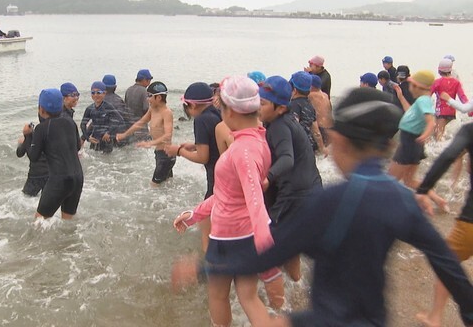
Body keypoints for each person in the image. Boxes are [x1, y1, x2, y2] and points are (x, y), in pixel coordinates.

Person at [175, 87, 473, 327]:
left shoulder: (328, 202)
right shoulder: (400, 200)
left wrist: (202, 270)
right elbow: (446, 262)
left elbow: (270, 254)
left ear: (339, 139)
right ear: (386, 145)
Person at [173, 75, 277, 327]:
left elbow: (256, 203)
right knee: (249, 297)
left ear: (229, 110)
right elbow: (232, 193)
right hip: (245, 233)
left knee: (218, 297)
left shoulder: (241, 151)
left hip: (229, 236)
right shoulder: (259, 140)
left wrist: (271, 269)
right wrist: (195, 214)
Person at [258, 75, 323, 309]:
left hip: (294, 195)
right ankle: (297, 286)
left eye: (263, 103)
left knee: (269, 242)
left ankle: (280, 306)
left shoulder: (278, 126)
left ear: (280, 107)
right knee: (290, 242)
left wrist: (267, 179)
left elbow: (287, 158)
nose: (258, 106)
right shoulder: (286, 120)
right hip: (311, 189)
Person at [415, 121, 473, 327]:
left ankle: (435, 317)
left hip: (470, 224)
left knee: (446, 263)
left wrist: (423, 189)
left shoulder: (470, 130)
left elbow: (449, 156)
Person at [164, 82, 222, 252]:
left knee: (207, 224)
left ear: (194, 105)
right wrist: (194, 145)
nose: (187, 110)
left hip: (215, 178)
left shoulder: (201, 120)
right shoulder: (216, 114)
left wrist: (179, 151)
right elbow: (213, 143)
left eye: (187, 106)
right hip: (225, 175)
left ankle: (209, 266)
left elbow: (204, 157)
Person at [389, 70, 446, 211]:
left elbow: (431, 121)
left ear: (420, 87)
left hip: (410, 142)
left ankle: (392, 207)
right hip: (411, 143)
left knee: (390, 180)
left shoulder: (423, 100)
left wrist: (425, 135)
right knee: (409, 180)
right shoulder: (421, 101)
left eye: (412, 85)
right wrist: (401, 96)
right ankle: (439, 201)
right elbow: (410, 113)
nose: (409, 88)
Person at [26, 89, 83, 220]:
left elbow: (33, 157)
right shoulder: (70, 122)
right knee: (67, 223)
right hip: (78, 178)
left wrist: (28, 136)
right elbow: (77, 146)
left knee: (39, 223)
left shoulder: (41, 129)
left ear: (41, 109)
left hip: (59, 180)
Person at [117, 81, 175, 185]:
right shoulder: (152, 109)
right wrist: (124, 135)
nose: (147, 99)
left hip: (166, 156)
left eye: (149, 96)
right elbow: (140, 123)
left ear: (158, 98)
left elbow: (168, 135)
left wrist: (150, 143)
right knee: (166, 185)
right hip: (159, 154)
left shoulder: (167, 113)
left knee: (154, 186)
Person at [289, 71, 327, 157]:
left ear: (294, 90)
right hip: (310, 146)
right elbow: (316, 132)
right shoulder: (310, 106)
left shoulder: (293, 105)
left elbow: (294, 129)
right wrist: (322, 148)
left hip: (298, 148)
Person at [80, 81, 125, 154]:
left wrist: (109, 133)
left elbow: (120, 120)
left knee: (107, 163)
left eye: (98, 92)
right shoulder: (89, 109)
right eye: (93, 93)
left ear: (104, 93)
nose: (95, 95)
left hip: (106, 141)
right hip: (95, 141)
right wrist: (87, 137)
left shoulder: (108, 107)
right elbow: (82, 124)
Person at [431, 58, 470, 141]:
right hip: (452, 112)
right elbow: (462, 97)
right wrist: (469, 107)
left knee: (438, 135)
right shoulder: (456, 82)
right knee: (446, 134)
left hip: (440, 112)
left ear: (439, 70)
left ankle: (438, 152)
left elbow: (428, 95)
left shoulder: (437, 82)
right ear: (450, 70)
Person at [16, 118, 49, 197]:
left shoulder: (28, 139)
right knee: (47, 198)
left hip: (35, 175)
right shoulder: (47, 135)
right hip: (49, 173)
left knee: (26, 197)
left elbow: (19, 154)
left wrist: (21, 143)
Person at [124, 69, 153, 141]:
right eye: (149, 80)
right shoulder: (144, 91)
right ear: (144, 80)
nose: (149, 83)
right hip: (141, 127)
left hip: (129, 127)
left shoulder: (128, 90)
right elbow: (146, 109)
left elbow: (124, 108)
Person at [307, 74, 333, 147]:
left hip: (320, 129)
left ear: (311, 86)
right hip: (330, 130)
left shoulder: (310, 95)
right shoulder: (325, 95)